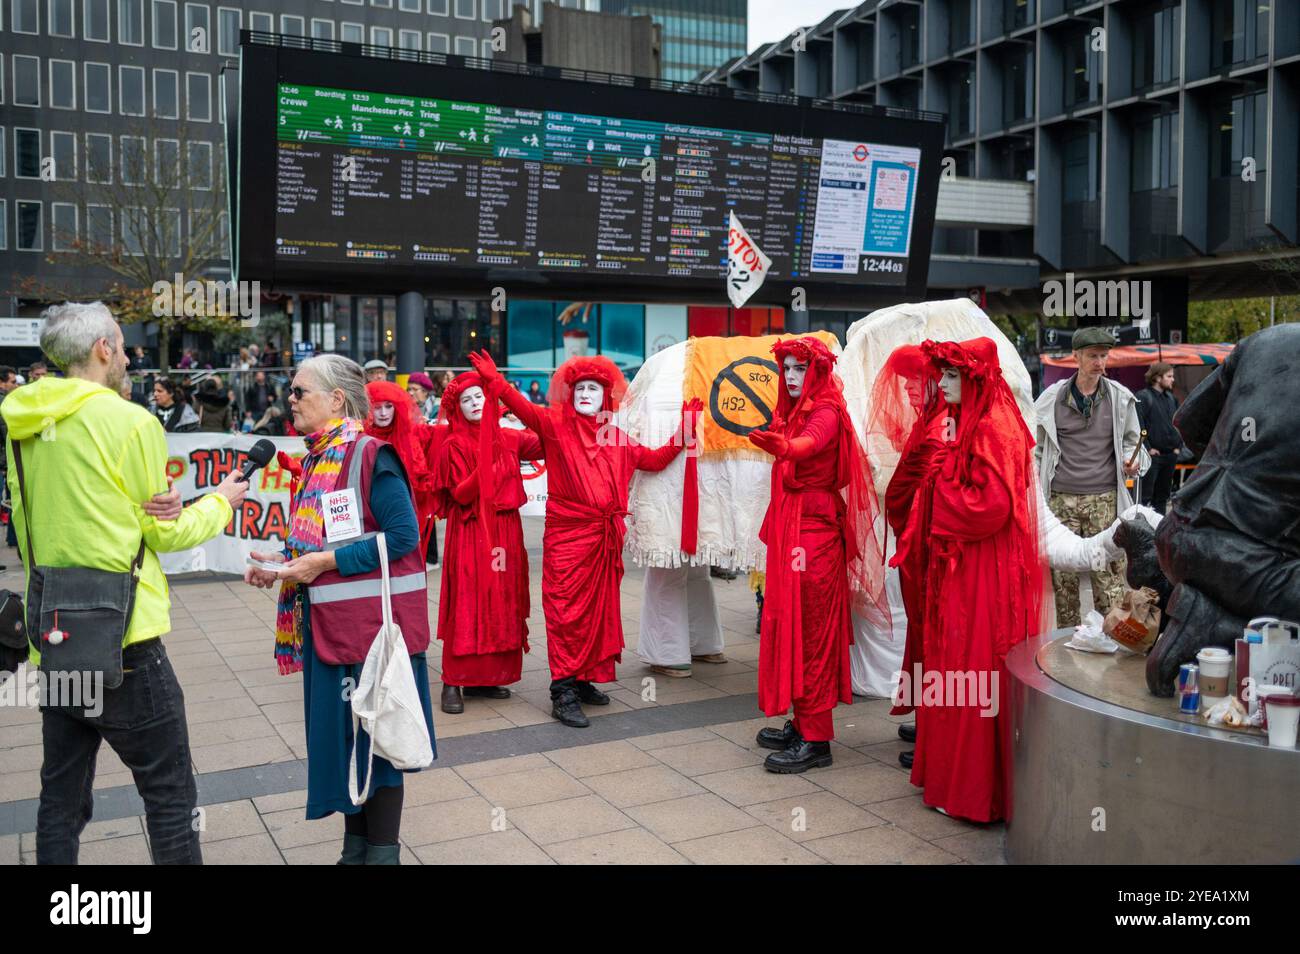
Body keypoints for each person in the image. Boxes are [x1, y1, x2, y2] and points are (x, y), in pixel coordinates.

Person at [5, 302, 248, 863]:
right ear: (102, 349)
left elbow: (24, 526)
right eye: (121, 342)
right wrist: (219, 503)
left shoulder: (21, 421)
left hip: (56, 633)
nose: (128, 354)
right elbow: (161, 534)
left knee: (60, 798)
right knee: (170, 794)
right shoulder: (130, 421)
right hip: (126, 639)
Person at [243, 354, 435, 866]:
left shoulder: (374, 456)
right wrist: (283, 564)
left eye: (300, 391)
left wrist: (321, 561)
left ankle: (383, 854)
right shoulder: (316, 460)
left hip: (375, 634)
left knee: (380, 742)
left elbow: (402, 537)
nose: (291, 399)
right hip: (332, 633)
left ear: (337, 400)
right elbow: (324, 540)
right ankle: (355, 850)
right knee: (348, 742)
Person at [468, 349, 698, 728]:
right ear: (569, 393)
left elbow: (654, 460)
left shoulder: (618, 436)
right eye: (579, 388)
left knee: (597, 613)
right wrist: (496, 382)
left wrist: (683, 433)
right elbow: (522, 408)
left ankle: (584, 677)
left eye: (593, 388)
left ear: (605, 395)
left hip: (603, 540)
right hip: (568, 538)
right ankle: (563, 689)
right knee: (565, 612)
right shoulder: (555, 426)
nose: (586, 394)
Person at [879, 337, 1047, 821]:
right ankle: (958, 780)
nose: (942, 383)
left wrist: (938, 492)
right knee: (956, 663)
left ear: (973, 378)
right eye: (943, 375)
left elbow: (991, 506)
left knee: (975, 662)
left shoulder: (993, 425)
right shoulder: (972, 419)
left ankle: (978, 791)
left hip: (985, 569)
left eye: (952, 375)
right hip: (967, 563)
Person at [746, 336, 886, 773]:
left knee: (811, 632)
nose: (789, 377)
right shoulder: (796, 409)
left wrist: (784, 447)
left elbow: (810, 444)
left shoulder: (825, 410)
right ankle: (803, 721)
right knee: (794, 624)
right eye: (785, 368)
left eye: (798, 369)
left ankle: (817, 739)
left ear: (817, 371)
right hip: (797, 527)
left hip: (813, 534)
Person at [430, 371, 542, 713]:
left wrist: (511, 400)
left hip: (506, 531)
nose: (475, 403)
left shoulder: (510, 436)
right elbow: (460, 494)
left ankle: (486, 678)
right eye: (466, 399)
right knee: (468, 599)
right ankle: (453, 680)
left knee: (501, 599)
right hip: (472, 532)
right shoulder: (453, 444)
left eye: (480, 396)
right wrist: (487, 464)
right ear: (457, 409)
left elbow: (546, 439)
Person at [1034, 327, 1148, 626]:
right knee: (1064, 581)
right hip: (1060, 501)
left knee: (1107, 577)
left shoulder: (1120, 399)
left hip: (1104, 500)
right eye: (1093, 356)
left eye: (1103, 356)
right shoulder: (1051, 399)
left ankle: (1110, 641)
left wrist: (1132, 461)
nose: (1099, 362)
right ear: (1076, 357)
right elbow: (1036, 448)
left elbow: (1135, 443)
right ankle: (1066, 643)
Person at [363, 380, 438, 567]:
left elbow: (420, 483)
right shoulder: (360, 437)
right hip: (370, 514)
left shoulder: (410, 437)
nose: (383, 413)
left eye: (388, 406)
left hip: (404, 513)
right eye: (377, 407)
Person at [1135, 361, 1183, 514]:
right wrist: (1148, 449)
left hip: (1170, 456)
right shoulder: (1143, 397)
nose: (1172, 379)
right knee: (1144, 498)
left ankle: (1159, 531)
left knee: (1162, 497)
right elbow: (1138, 425)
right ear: (1157, 378)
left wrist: (1177, 447)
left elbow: (1177, 423)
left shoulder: (1171, 398)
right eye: (1169, 376)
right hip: (1152, 457)